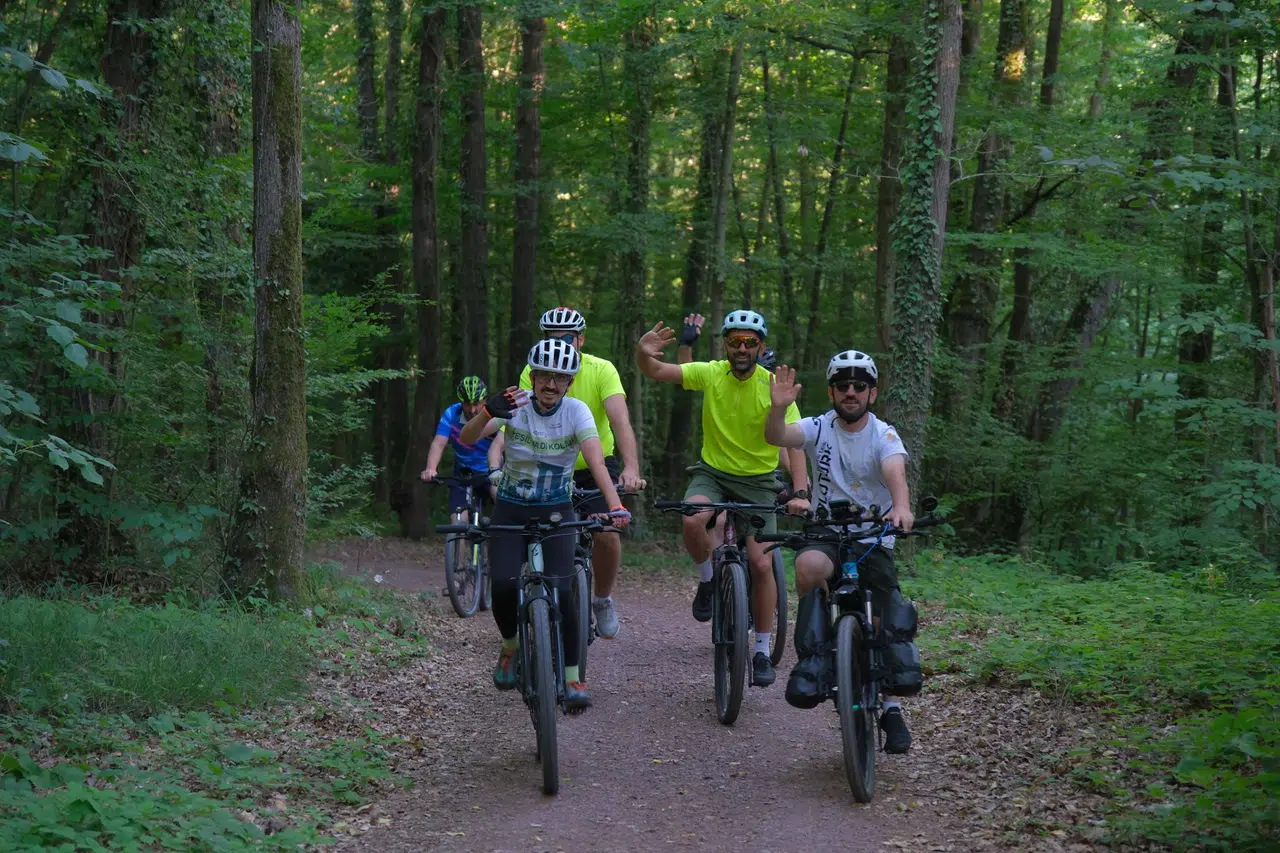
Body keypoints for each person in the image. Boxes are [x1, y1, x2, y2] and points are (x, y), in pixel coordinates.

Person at [636, 310, 809, 688]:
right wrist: (643, 352)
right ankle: (708, 580)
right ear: (725, 345)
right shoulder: (712, 372)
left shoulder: (772, 384)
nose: (742, 348)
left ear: (760, 346)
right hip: (712, 473)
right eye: (735, 341)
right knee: (692, 518)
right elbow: (657, 372)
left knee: (762, 566)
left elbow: (796, 444)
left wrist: (800, 492)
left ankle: (761, 650)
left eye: (750, 342)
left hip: (760, 481)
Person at [460, 339, 629, 712]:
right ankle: (510, 648)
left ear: (569, 382)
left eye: (560, 378)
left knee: (564, 591)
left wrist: (614, 504)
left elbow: (596, 461)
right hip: (511, 510)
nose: (551, 384)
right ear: (532, 377)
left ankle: (572, 675)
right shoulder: (513, 406)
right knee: (503, 586)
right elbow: (468, 437)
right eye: (544, 376)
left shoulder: (577, 411)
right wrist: (487, 412)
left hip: (556, 512)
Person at [763, 350, 919, 754]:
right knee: (809, 564)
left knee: (885, 607)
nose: (851, 392)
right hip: (826, 530)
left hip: (872, 535)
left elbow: (895, 473)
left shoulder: (884, 435)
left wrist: (901, 507)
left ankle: (891, 706)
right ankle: (815, 657)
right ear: (832, 391)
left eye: (860, 386)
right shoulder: (818, 426)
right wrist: (777, 410)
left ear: (872, 393)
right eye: (843, 386)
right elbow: (777, 438)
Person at [499, 307, 643, 642]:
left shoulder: (601, 369)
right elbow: (515, 420)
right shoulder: (532, 371)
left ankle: (602, 599)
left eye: (566, 338)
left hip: (593, 467)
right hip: (544, 465)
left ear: (580, 339)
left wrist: (631, 468)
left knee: (607, 533)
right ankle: (531, 596)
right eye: (550, 338)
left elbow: (620, 421)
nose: (558, 344)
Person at [420, 376, 494, 517]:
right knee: (458, 522)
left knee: (503, 509)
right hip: (463, 474)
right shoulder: (451, 414)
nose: (472, 410)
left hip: (491, 472)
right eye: (467, 404)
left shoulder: (494, 415)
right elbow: (439, 443)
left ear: (485, 400)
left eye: (477, 403)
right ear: (461, 401)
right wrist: (431, 469)